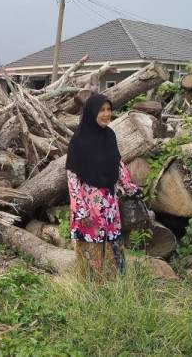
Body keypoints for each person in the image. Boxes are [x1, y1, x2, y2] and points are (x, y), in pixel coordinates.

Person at [65, 93, 141, 277]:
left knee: (113, 242)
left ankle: (115, 282)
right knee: (92, 245)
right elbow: (72, 177)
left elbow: (117, 162)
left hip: (109, 202)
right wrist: (80, 209)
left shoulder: (109, 135)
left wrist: (129, 186)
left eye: (109, 109)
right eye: (102, 110)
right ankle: (92, 286)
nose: (107, 114)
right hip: (89, 204)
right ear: (92, 112)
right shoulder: (79, 141)